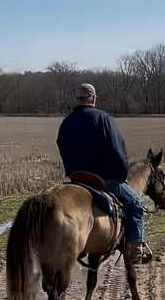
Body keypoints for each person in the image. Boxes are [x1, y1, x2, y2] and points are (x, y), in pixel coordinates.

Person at [56, 83, 148, 263]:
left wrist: (72, 170)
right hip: (104, 180)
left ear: (78, 99)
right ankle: (136, 249)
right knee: (136, 204)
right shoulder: (103, 118)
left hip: (76, 178)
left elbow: (62, 146)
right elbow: (117, 150)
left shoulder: (67, 122)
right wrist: (121, 175)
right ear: (94, 98)